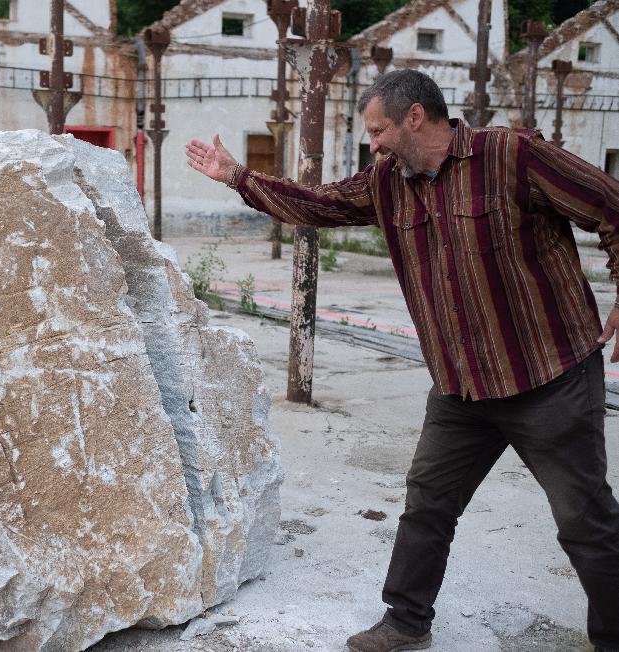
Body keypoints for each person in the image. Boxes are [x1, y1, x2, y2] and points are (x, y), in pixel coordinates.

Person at [185, 69, 619, 652]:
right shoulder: (388, 181)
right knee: (427, 504)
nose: (375, 144)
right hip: (460, 384)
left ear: (416, 116)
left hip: (548, 376)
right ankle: (406, 621)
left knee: (584, 521)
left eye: (379, 130)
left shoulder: (512, 156)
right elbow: (320, 204)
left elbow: (610, 206)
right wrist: (238, 176)